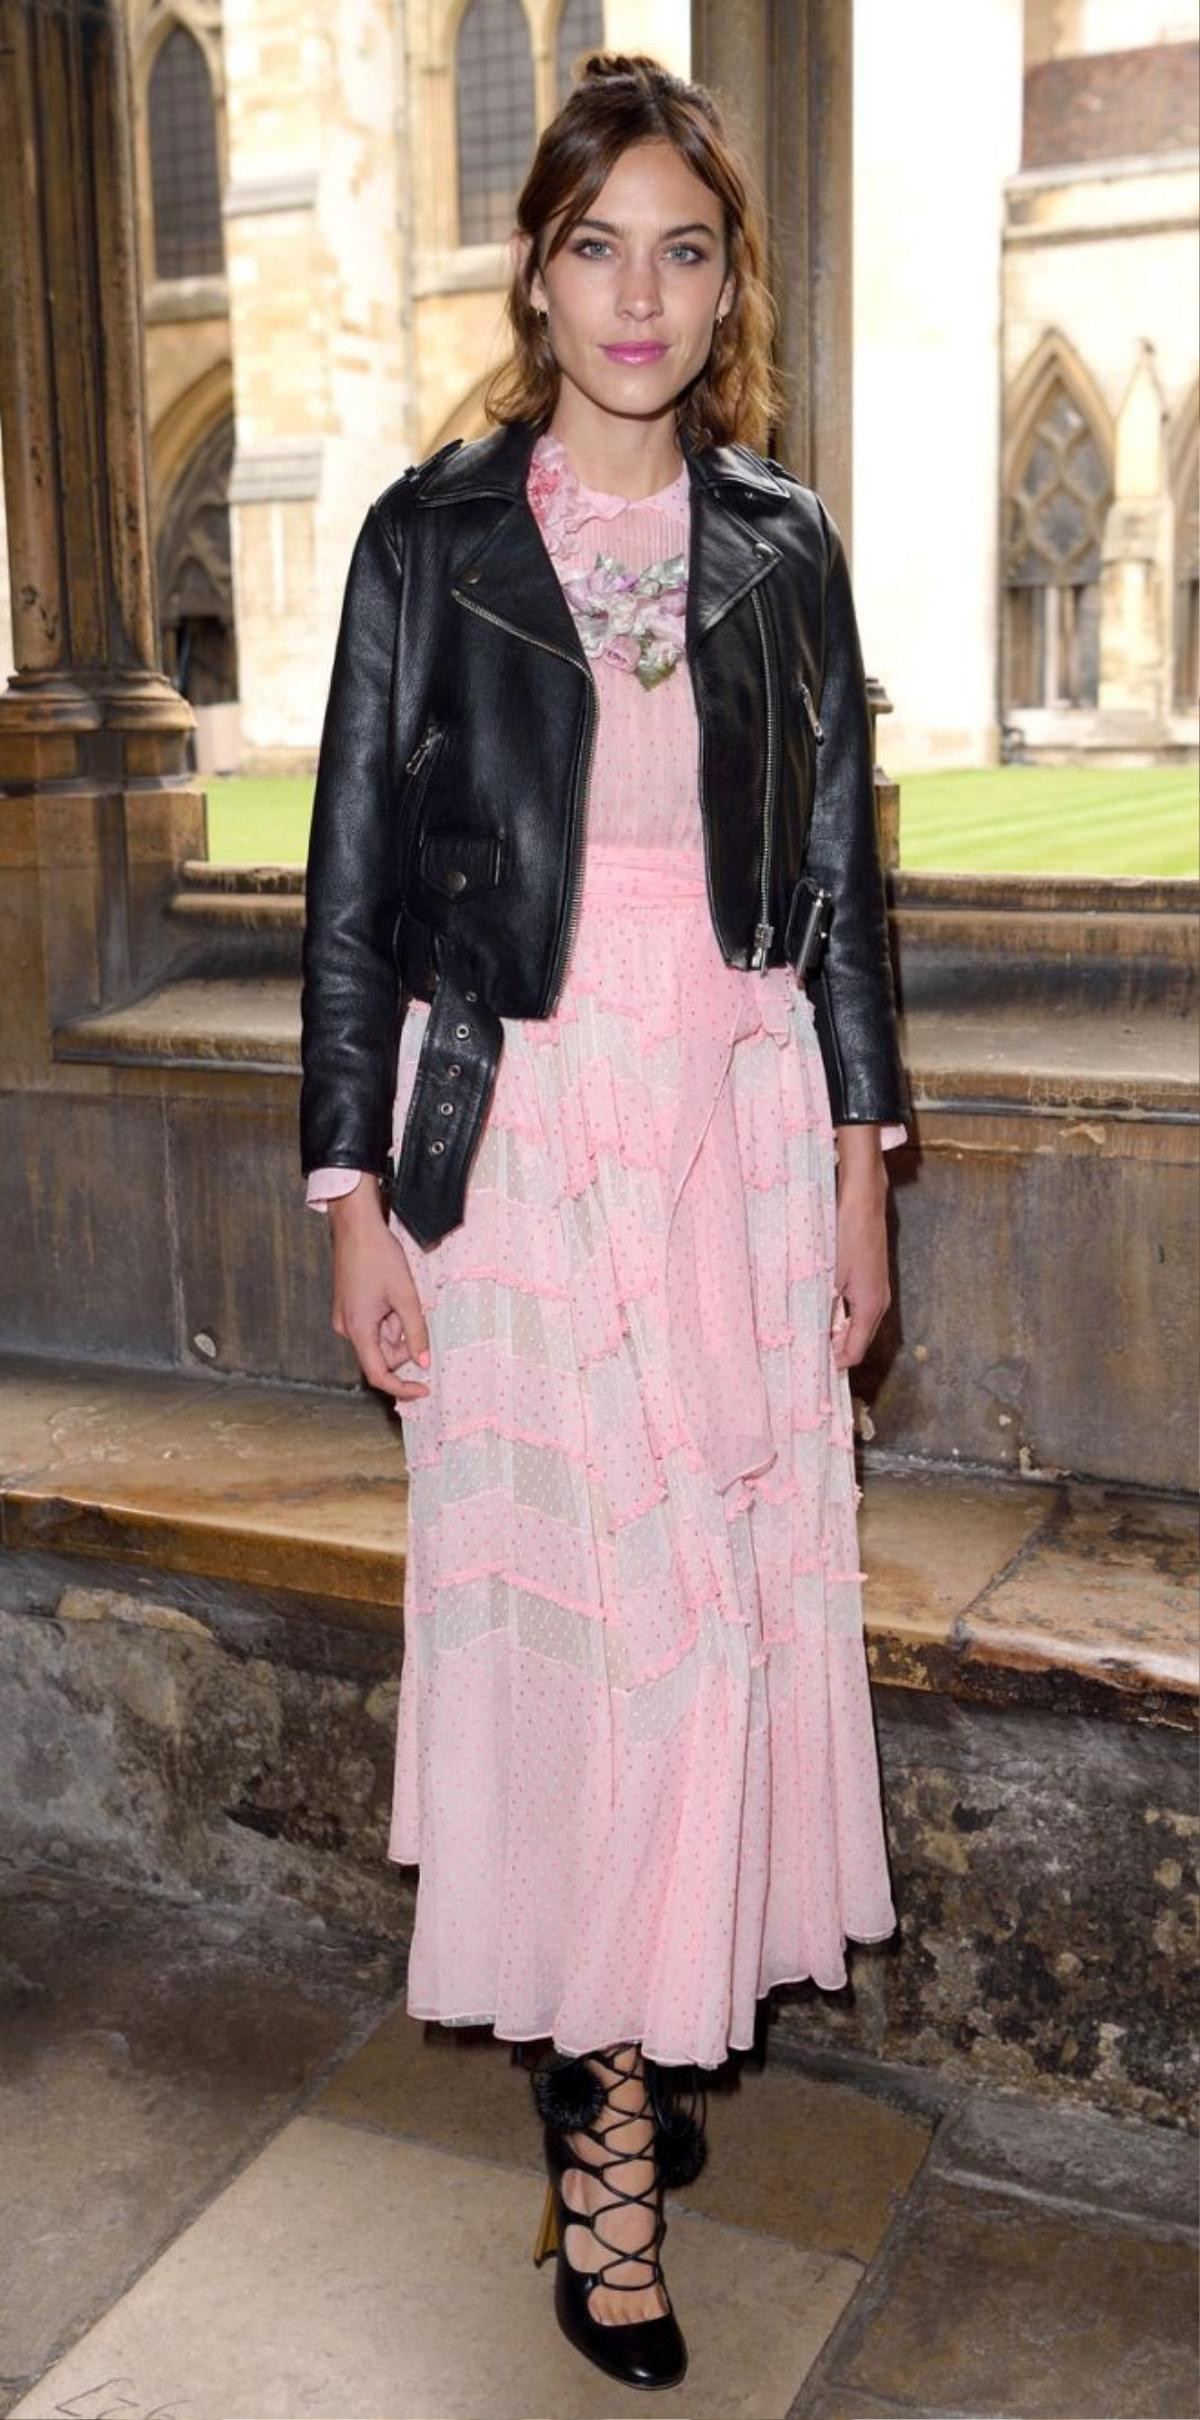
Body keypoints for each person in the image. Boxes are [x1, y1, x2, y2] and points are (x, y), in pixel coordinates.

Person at [299, 51, 910, 2395]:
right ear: (536, 272)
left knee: (711, 1625)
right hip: (521, 1150)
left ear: (723, 281)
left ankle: (630, 2032)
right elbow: (354, 899)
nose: (638, 294)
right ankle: (605, 2149)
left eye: (683, 247)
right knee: (579, 1635)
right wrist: (357, 1197)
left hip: (740, 1143)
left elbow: (846, 899)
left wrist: (862, 1168)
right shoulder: (424, 542)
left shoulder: (786, 543)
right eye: (595, 246)